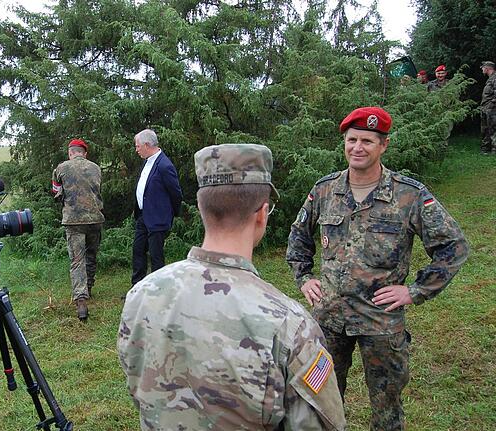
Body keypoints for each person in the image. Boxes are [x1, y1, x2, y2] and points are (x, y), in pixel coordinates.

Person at [119, 144, 346, 430]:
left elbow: (138, 383)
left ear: (202, 209)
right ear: (262, 214)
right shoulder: (290, 325)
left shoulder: (142, 294)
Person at [286, 107, 469, 430]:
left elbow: (453, 246)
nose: (357, 147)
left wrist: (415, 291)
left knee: (387, 410)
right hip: (328, 319)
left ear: (383, 145)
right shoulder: (326, 190)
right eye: (352, 140)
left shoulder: (408, 195)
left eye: (367, 141)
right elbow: (299, 236)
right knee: (320, 402)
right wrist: (304, 277)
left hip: (380, 322)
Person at [51, 138, 104, 320]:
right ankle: (88, 286)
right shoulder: (96, 168)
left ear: (70, 152)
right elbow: (97, 191)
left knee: (77, 260)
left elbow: (55, 192)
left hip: (73, 221)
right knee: (91, 254)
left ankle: (81, 300)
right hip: (95, 218)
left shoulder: (61, 168)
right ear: (85, 153)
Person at [129, 129, 182, 290]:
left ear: (147, 145)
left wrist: (169, 215)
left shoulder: (165, 165)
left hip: (158, 219)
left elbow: (176, 193)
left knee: (156, 255)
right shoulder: (147, 161)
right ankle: (137, 288)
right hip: (143, 217)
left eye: (138, 146)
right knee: (138, 250)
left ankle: (159, 289)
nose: (136, 149)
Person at [480, 60, 496, 155]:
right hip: (486, 109)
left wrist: (491, 105)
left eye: (483, 67)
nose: (482, 69)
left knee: (493, 130)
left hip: (492, 110)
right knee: (485, 130)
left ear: (487, 68)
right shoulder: (490, 78)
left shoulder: (495, 78)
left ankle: (494, 151)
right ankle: (485, 149)